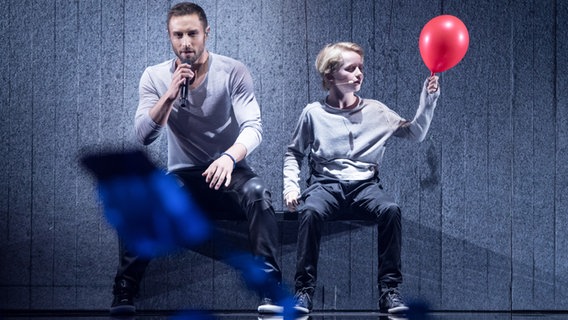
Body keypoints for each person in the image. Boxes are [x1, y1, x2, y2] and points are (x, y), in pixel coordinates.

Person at [110, 2, 282, 315]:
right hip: (184, 176)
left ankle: (270, 291)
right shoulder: (154, 77)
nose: (186, 42)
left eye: (192, 33)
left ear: (206, 34)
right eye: (178, 35)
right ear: (169, 36)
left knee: (259, 194)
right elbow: (144, 135)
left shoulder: (233, 71)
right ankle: (124, 291)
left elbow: (254, 128)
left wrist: (229, 158)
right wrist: (170, 94)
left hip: (229, 171)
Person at [283, 42, 440, 315]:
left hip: (366, 185)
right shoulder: (313, 113)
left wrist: (428, 100)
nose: (358, 74)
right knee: (309, 213)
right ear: (330, 76)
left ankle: (389, 292)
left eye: (361, 68)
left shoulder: (377, 111)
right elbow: (293, 153)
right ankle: (303, 292)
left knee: (391, 210)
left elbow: (415, 133)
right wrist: (290, 187)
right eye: (350, 68)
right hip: (324, 185)